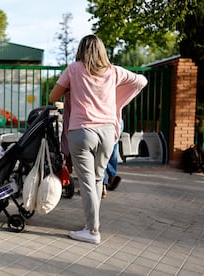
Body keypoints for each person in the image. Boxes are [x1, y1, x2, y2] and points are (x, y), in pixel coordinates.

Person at [49, 34, 147, 244]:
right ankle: (90, 226)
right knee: (96, 180)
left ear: (81, 50)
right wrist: (116, 101)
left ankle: (93, 230)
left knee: (86, 183)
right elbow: (142, 80)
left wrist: (71, 89)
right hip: (107, 132)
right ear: (102, 50)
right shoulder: (113, 71)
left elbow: (52, 98)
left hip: (81, 132)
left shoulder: (74, 69)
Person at [102, 120, 123, 198]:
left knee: (101, 155)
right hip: (117, 122)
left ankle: (103, 184)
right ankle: (112, 176)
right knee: (112, 153)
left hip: (103, 122)